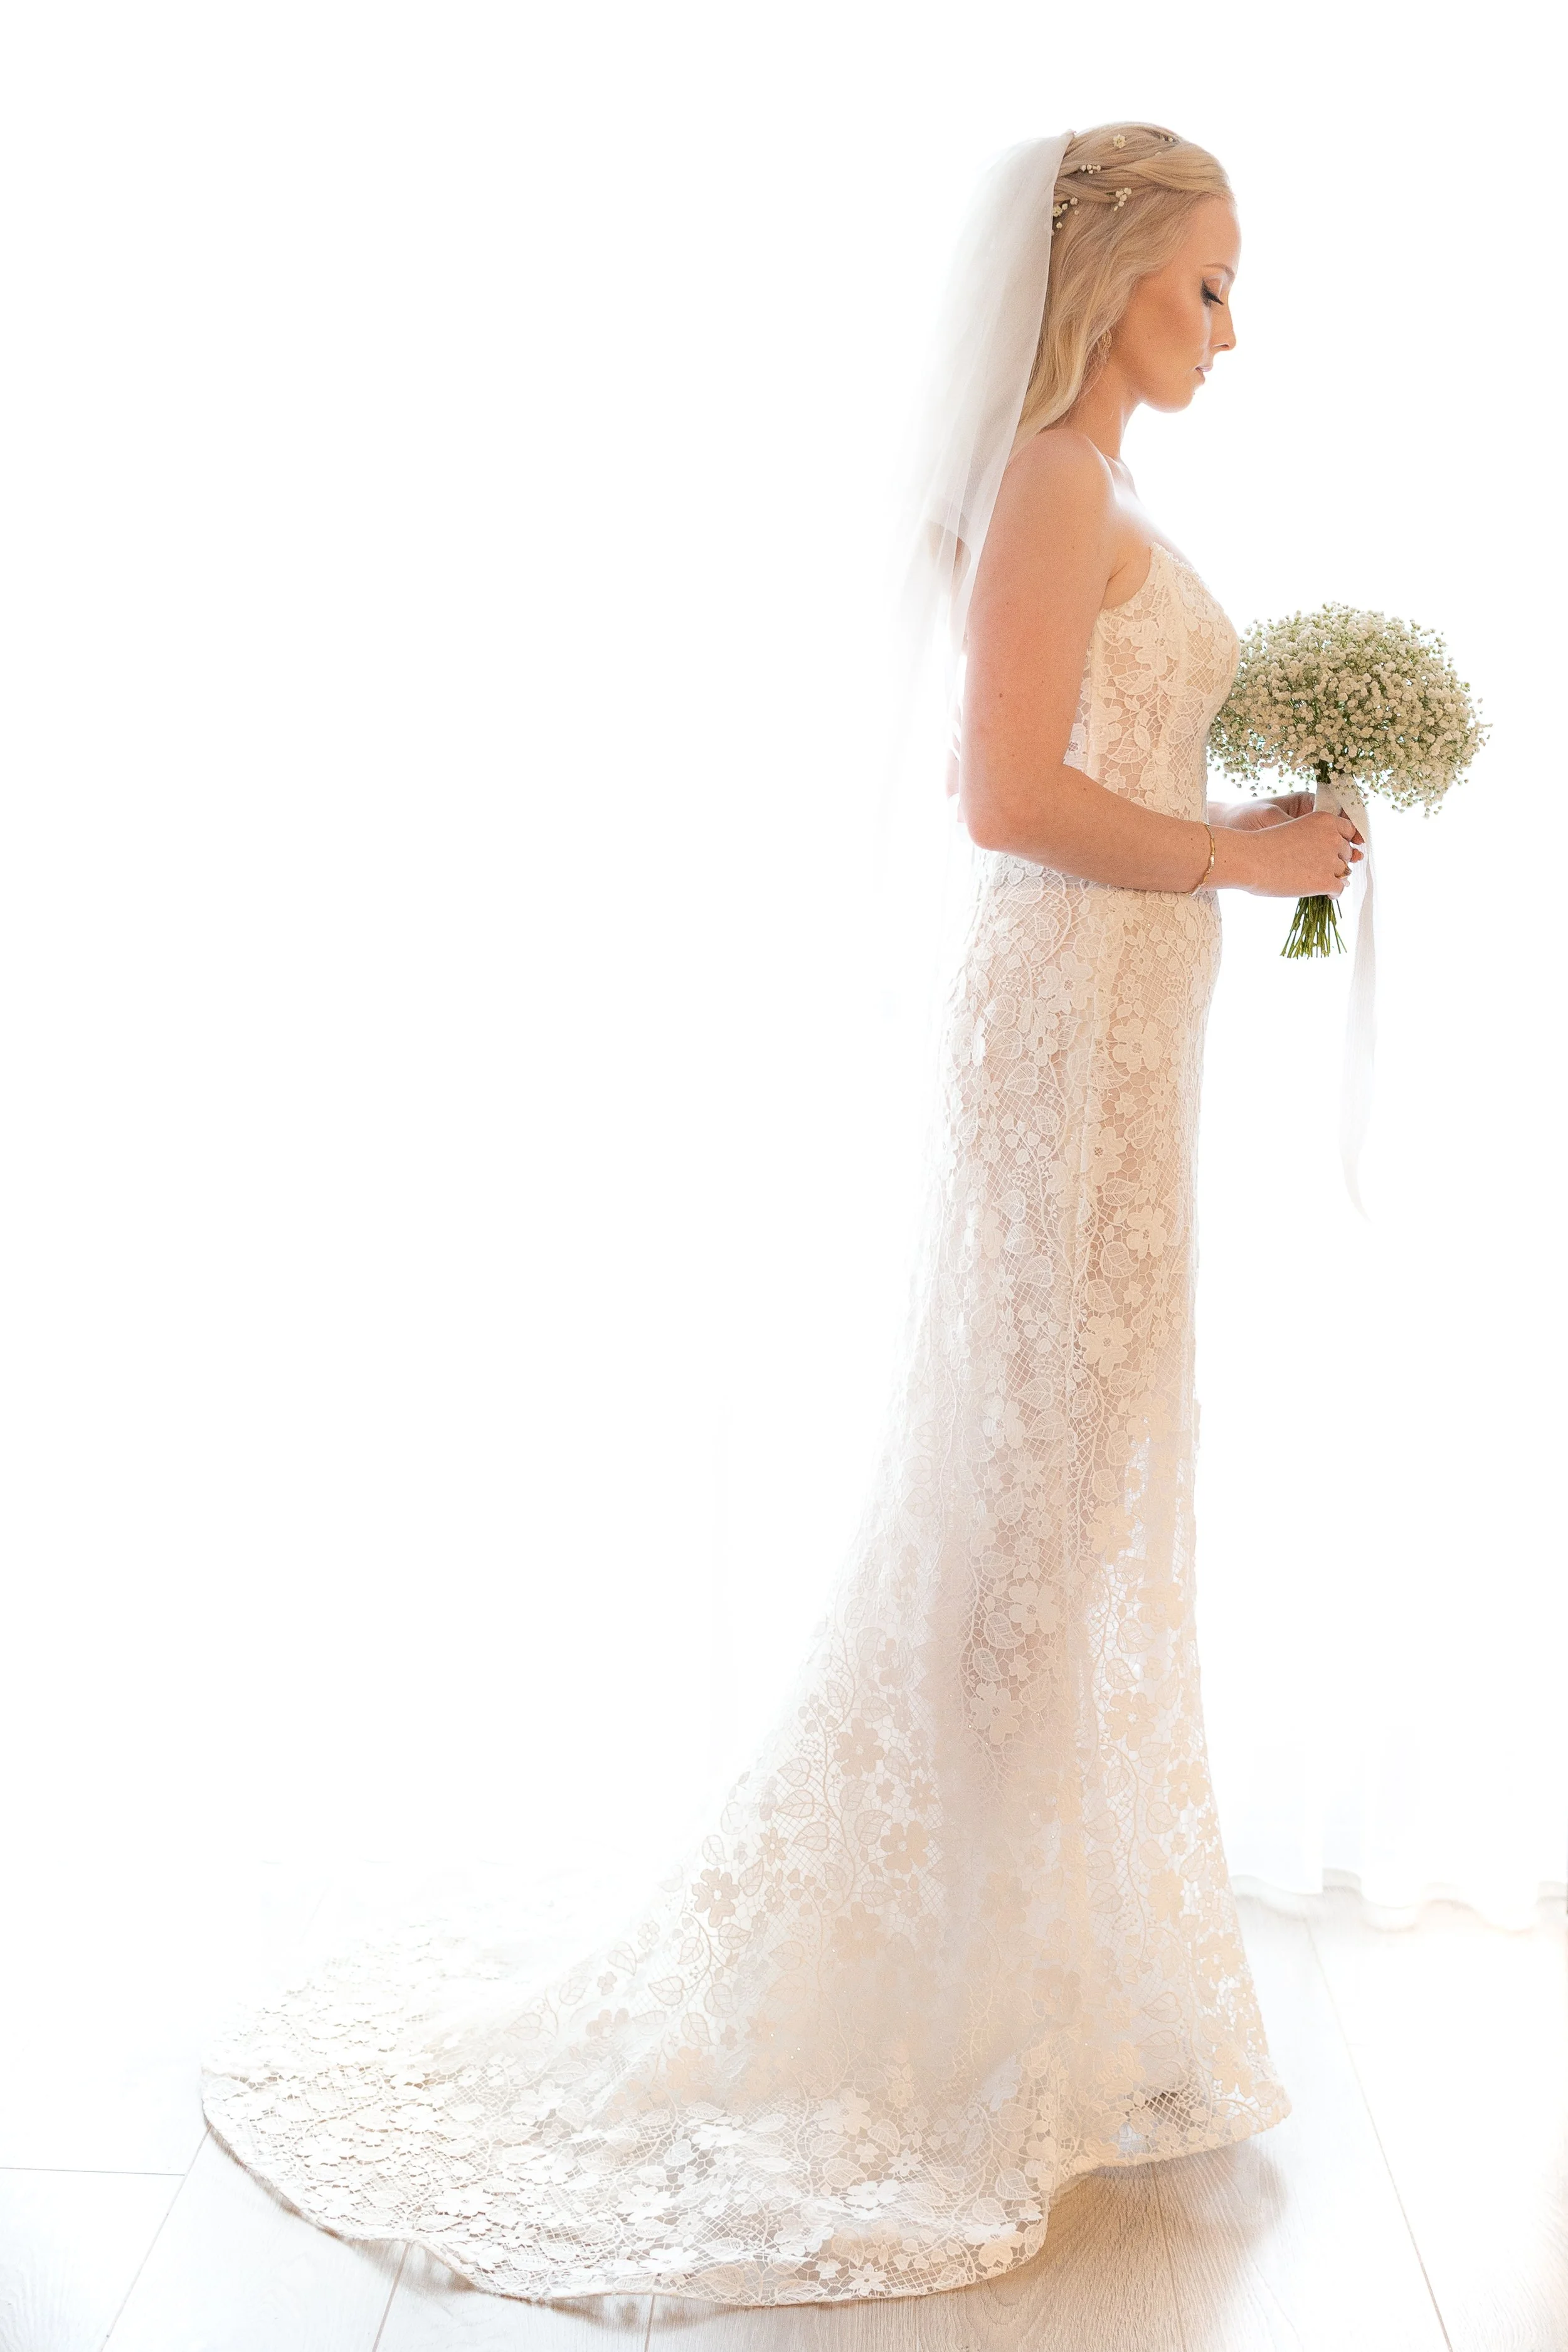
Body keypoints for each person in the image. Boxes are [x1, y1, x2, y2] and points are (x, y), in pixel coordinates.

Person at [204, 122, 1360, 2307]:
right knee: (1026, 1513)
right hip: (1065, 1052)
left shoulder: (1081, 492)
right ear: (1108, 283)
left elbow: (1077, 756)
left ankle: (1036, 1976)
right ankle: (944, 2006)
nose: (1231, 325)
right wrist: (1235, 861)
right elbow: (1003, 797)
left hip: (1122, 1042)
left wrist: (1232, 827)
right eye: (1207, 283)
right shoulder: (1050, 479)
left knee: (1073, 1505)